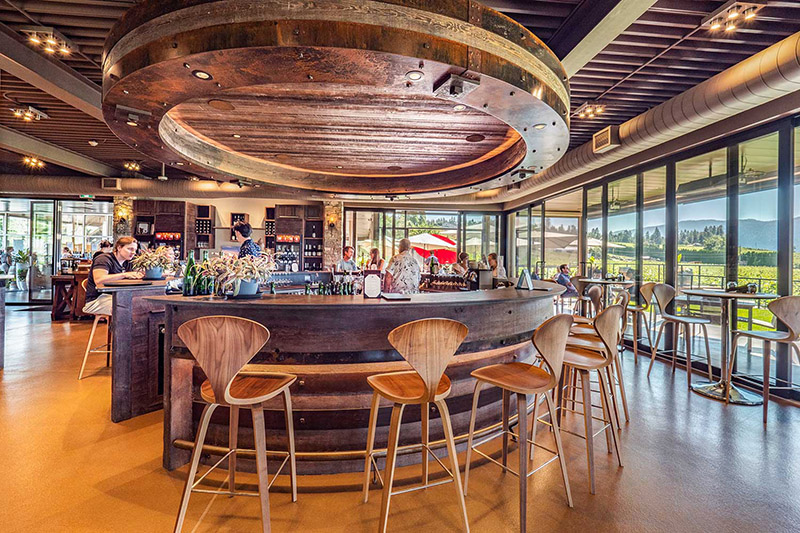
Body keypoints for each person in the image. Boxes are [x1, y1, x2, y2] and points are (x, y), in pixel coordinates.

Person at [83, 237, 142, 316]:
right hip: (96, 300)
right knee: (125, 307)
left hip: (118, 296)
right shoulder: (103, 259)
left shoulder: (128, 262)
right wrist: (124, 274)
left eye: (135, 250)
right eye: (130, 249)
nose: (133, 252)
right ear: (119, 248)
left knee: (142, 304)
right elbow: (99, 280)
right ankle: (121, 328)